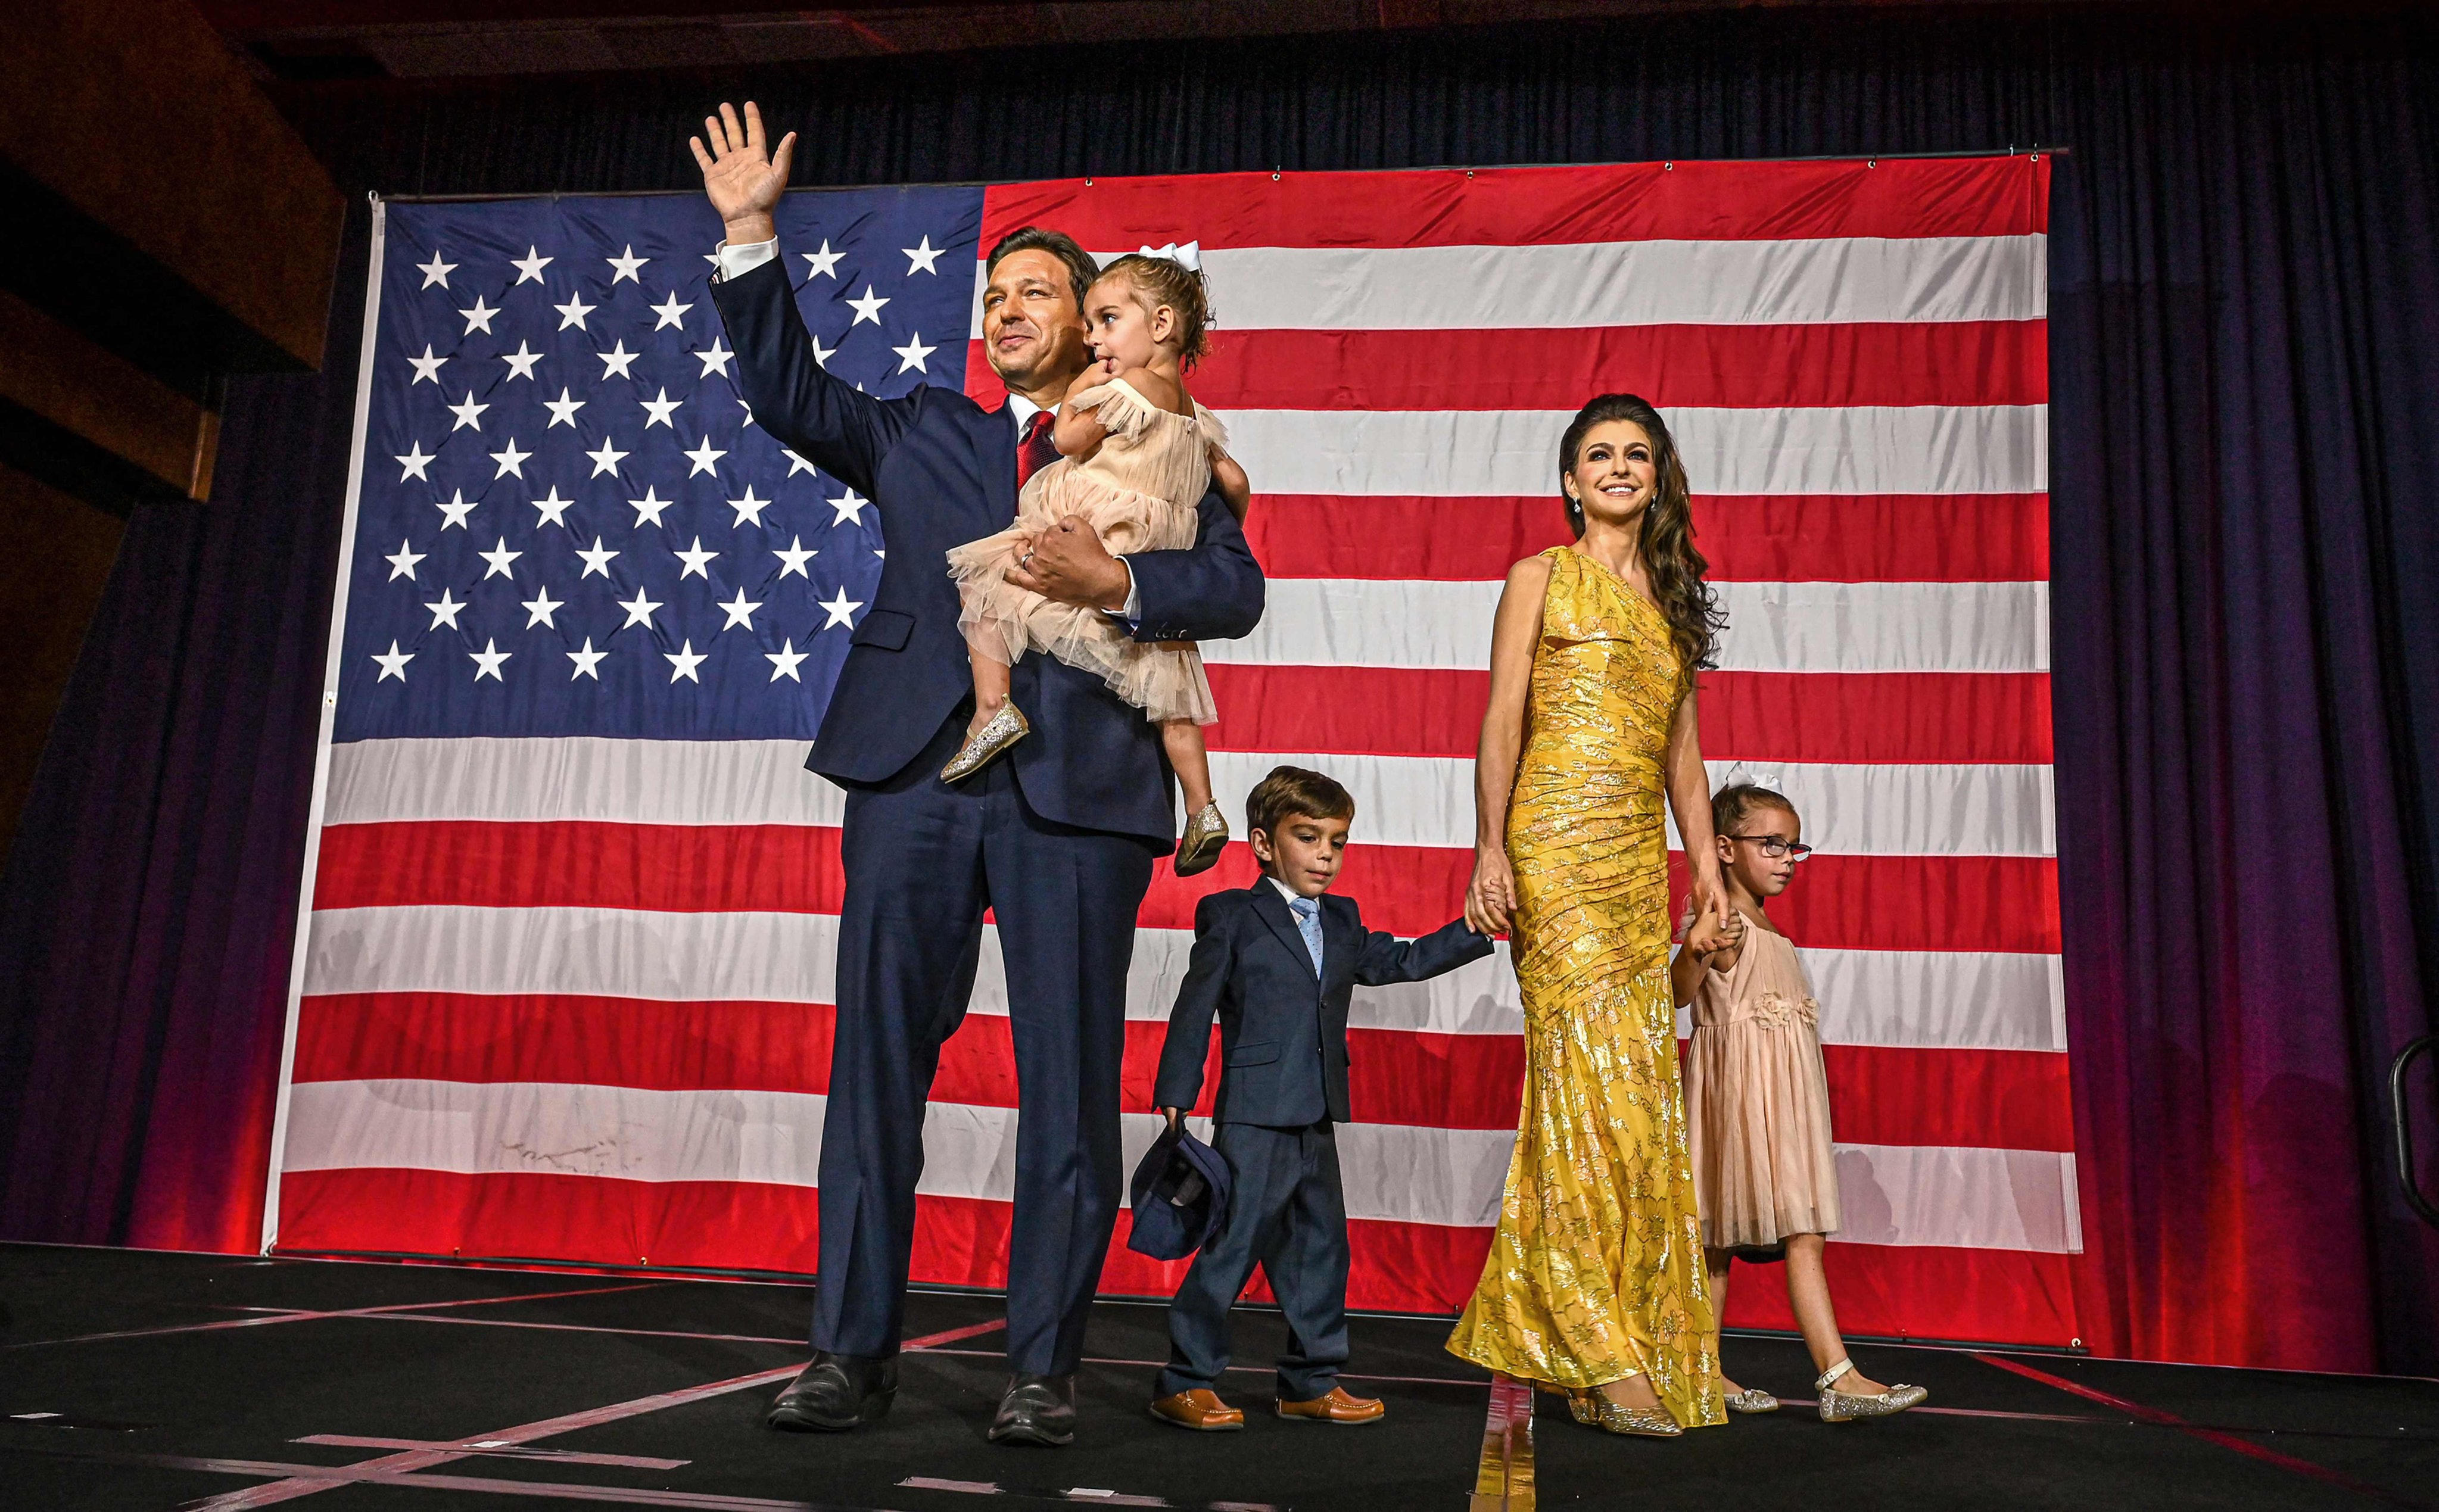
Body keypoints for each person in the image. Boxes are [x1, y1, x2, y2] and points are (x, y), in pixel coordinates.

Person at [690, 102, 1266, 1446]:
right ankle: (846, 1354)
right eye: (994, 293)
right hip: (913, 776)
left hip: (1081, 788)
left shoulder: (1160, 434)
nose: (1007, 308)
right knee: (875, 1067)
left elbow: (1233, 588)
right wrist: (749, 233)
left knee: (1065, 1085)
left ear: (1096, 322)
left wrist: (1120, 579)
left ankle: (1039, 1374)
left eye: (1037, 294)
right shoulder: (924, 432)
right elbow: (787, 394)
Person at [1445, 393, 1734, 1438]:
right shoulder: (1539, 576)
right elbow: (1501, 716)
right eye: (1599, 455)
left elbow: (1685, 757)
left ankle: (1629, 1332)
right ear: (1570, 480)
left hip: (1630, 864)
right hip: (1555, 852)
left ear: (1659, 476)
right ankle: (1596, 1346)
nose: (1618, 468)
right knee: (1579, 1081)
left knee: (1636, 1093)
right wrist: (1489, 847)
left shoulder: (1673, 594)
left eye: (1637, 455)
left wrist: (1707, 872)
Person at [1148, 766, 1492, 1430]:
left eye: (1337, 840)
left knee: (1320, 1247)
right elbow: (1194, 1009)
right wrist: (1176, 1092)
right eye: (1308, 837)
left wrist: (1477, 927)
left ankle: (1309, 1380)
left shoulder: (1342, 919)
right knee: (1231, 1245)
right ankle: (1183, 1380)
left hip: (1318, 1112)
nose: (1326, 854)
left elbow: (1404, 960)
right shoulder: (1231, 915)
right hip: (1253, 1112)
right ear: (1263, 843)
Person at [943, 250, 1248, 878]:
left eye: (1106, 320)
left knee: (991, 578)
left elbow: (1070, 440)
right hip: (1156, 533)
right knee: (1173, 696)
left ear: (1161, 325)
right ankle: (1203, 806)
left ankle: (991, 707)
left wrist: (1082, 389)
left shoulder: (1124, 389)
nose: (1095, 338)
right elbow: (1234, 480)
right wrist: (1185, 522)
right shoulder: (1195, 414)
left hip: (1092, 519)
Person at [1674, 783, 1931, 1423]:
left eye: (1793, 846)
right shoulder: (1724, 921)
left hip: (1781, 1096)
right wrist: (1696, 947)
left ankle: (1701, 1372)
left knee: (1731, 1240)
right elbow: (1678, 994)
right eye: (1772, 844)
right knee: (1781, 1234)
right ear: (1726, 849)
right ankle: (1836, 1375)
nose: (1787, 857)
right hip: (1744, 1098)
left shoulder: (1761, 923)